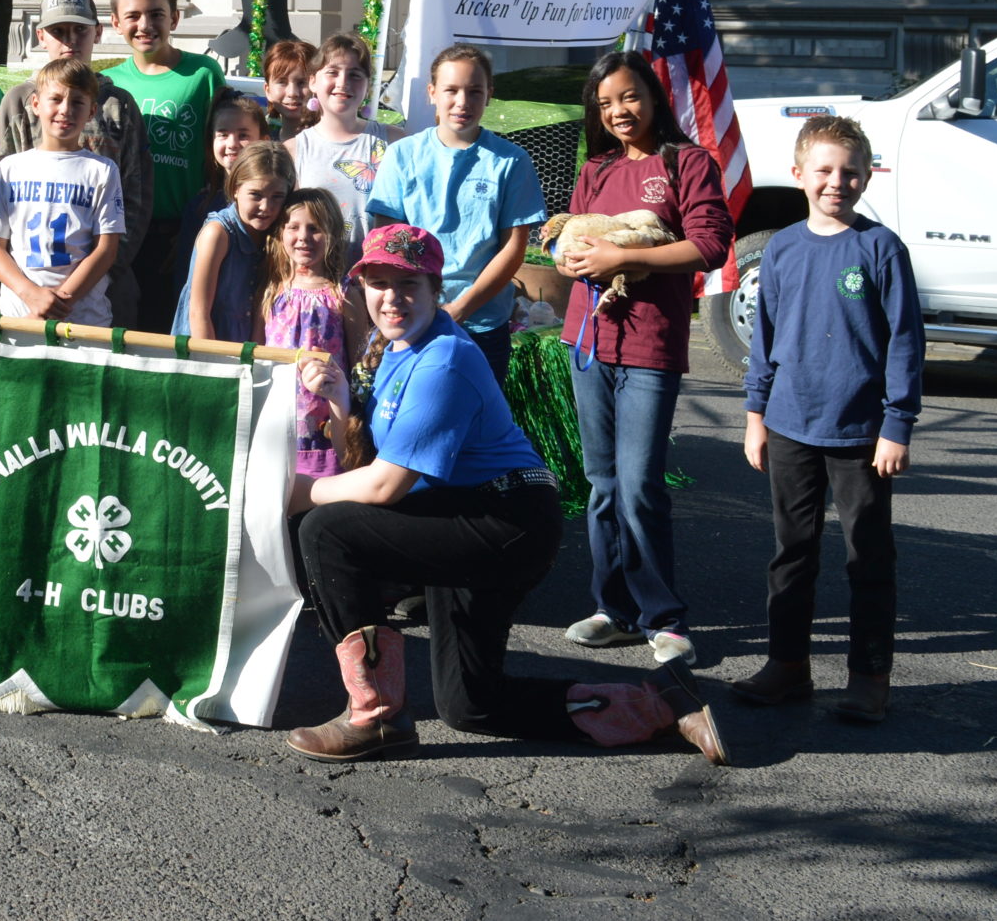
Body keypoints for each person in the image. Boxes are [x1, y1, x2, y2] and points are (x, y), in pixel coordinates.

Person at [284, 223, 729, 767]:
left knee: (325, 529)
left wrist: (296, 493)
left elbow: (382, 486)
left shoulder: (442, 358)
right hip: (462, 511)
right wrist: (336, 404)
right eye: (377, 283)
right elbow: (365, 465)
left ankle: (376, 719)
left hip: (506, 519)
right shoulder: (397, 347)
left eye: (407, 285)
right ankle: (660, 703)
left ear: (434, 288)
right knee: (472, 706)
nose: (391, 298)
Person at [732, 114, 925, 725]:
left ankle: (870, 677)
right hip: (789, 423)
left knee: (868, 555)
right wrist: (756, 413)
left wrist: (897, 423)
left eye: (849, 171)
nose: (835, 182)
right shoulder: (783, 247)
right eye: (823, 170)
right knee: (792, 551)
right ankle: (787, 666)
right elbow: (764, 341)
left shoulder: (880, 249)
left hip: (861, 434)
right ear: (798, 175)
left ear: (868, 176)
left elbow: (904, 342)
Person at [556, 50, 735, 668]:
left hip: (650, 346)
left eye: (629, 97)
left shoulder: (686, 162)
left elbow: (711, 245)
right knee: (601, 486)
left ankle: (664, 617)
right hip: (586, 341)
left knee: (639, 485)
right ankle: (615, 609)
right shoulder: (595, 169)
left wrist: (623, 260)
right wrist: (571, 257)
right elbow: (575, 241)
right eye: (605, 104)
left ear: (655, 98)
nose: (618, 112)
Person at [366, 45, 549, 383]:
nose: (462, 101)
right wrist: (421, 305)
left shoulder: (511, 161)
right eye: (451, 90)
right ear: (432, 93)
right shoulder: (402, 155)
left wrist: (461, 308)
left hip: (483, 324)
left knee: (476, 425)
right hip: (412, 317)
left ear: (489, 95)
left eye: (474, 91)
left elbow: (513, 249)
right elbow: (388, 244)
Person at [0, 0, 153, 322]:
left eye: (80, 30)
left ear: (98, 32)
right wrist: (28, 292)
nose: (70, 40)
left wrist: (102, 275)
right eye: (58, 31)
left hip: (101, 287)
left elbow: (137, 197)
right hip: (26, 288)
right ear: (40, 36)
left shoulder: (117, 105)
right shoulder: (19, 102)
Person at [108, 0, 224, 333]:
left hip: (181, 230)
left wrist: (200, 225)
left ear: (174, 17)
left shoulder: (203, 74)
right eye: (133, 16)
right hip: (122, 232)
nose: (145, 25)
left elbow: (220, 156)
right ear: (115, 22)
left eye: (156, 14)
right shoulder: (111, 82)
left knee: (171, 328)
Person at [0, 59, 128, 326]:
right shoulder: (9, 169)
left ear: (92, 110)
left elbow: (106, 249)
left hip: (82, 320)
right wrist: (32, 296)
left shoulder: (102, 170)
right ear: (36, 104)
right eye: (55, 99)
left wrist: (61, 302)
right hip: (20, 316)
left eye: (77, 102)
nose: (65, 110)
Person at [260, 187, 352, 476]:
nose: (303, 237)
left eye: (314, 229)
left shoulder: (344, 293)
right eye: (294, 227)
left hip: (326, 426)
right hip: (276, 425)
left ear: (333, 234)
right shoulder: (272, 290)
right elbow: (257, 351)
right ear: (280, 233)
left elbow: (361, 362)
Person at [174, 140, 295, 344]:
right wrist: (216, 368)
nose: (266, 207)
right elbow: (198, 314)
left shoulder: (279, 235)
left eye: (277, 197)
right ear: (236, 188)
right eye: (256, 195)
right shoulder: (217, 234)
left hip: (246, 353)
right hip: (206, 352)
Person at [287, 33, 388, 253]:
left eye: (355, 75)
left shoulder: (395, 142)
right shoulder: (292, 151)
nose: (343, 83)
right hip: (314, 279)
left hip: (376, 281)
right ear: (313, 81)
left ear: (368, 85)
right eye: (333, 72)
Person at [178, 89, 271, 248]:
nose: (232, 144)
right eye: (223, 134)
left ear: (264, 141)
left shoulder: (273, 203)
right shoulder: (200, 207)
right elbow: (187, 268)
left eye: (243, 136)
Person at [260, 37, 320, 142]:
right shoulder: (258, 139)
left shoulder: (332, 140)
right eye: (282, 82)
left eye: (302, 82)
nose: (292, 93)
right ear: (268, 90)